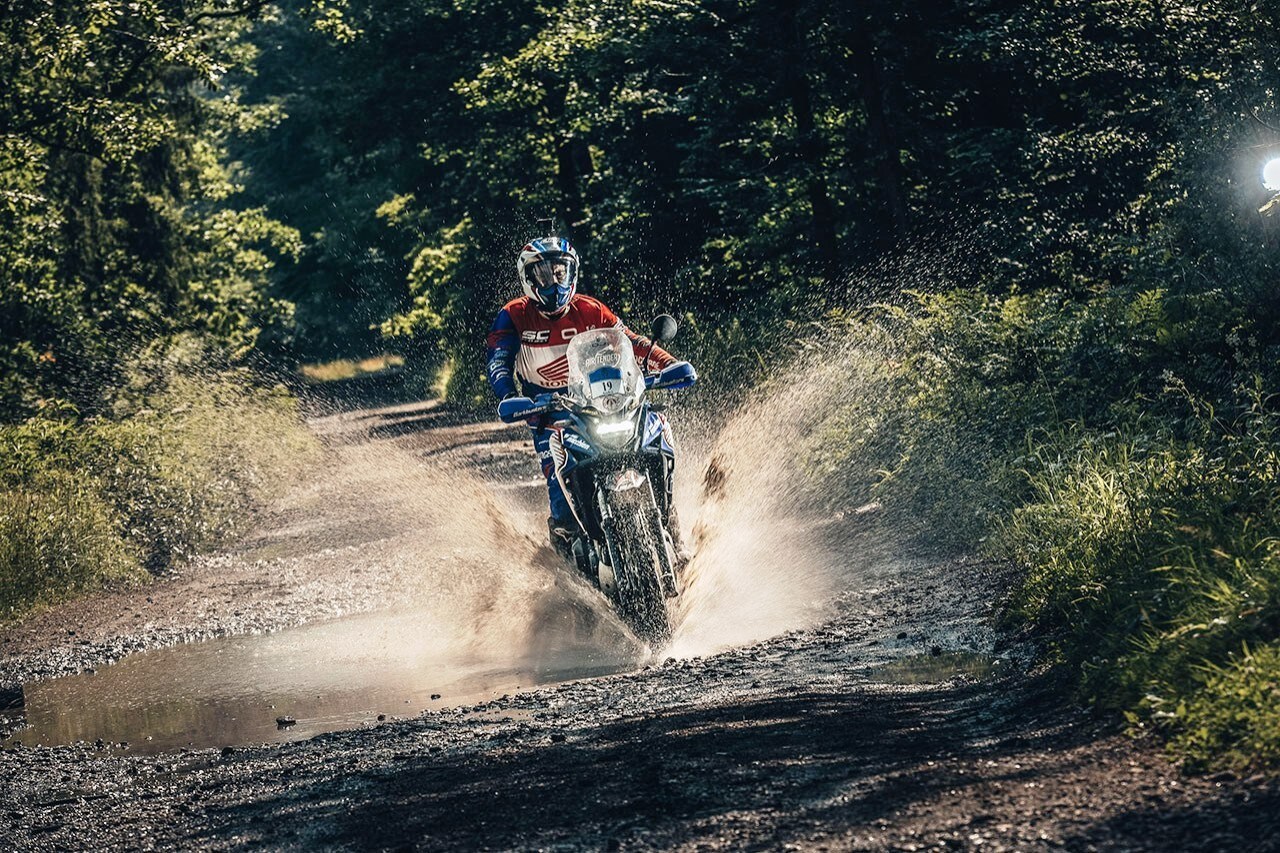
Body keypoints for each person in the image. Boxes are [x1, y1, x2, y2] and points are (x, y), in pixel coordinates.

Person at [485, 235, 678, 556]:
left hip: (600, 400)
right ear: (528, 277)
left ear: (572, 272)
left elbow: (631, 341)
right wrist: (508, 397)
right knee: (561, 503)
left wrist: (669, 363)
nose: (553, 280)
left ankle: (672, 527)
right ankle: (568, 560)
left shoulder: (589, 308)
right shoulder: (513, 315)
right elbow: (499, 362)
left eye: (559, 272)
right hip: (547, 411)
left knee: (656, 436)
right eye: (543, 274)